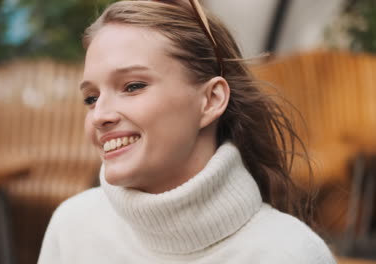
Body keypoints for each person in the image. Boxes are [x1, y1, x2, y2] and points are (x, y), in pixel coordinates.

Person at [38, 0, 337, 263]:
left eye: (133, 86)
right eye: (91, 98)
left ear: (211, 100)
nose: (99, 115)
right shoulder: (72, 228)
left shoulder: (290, 254)